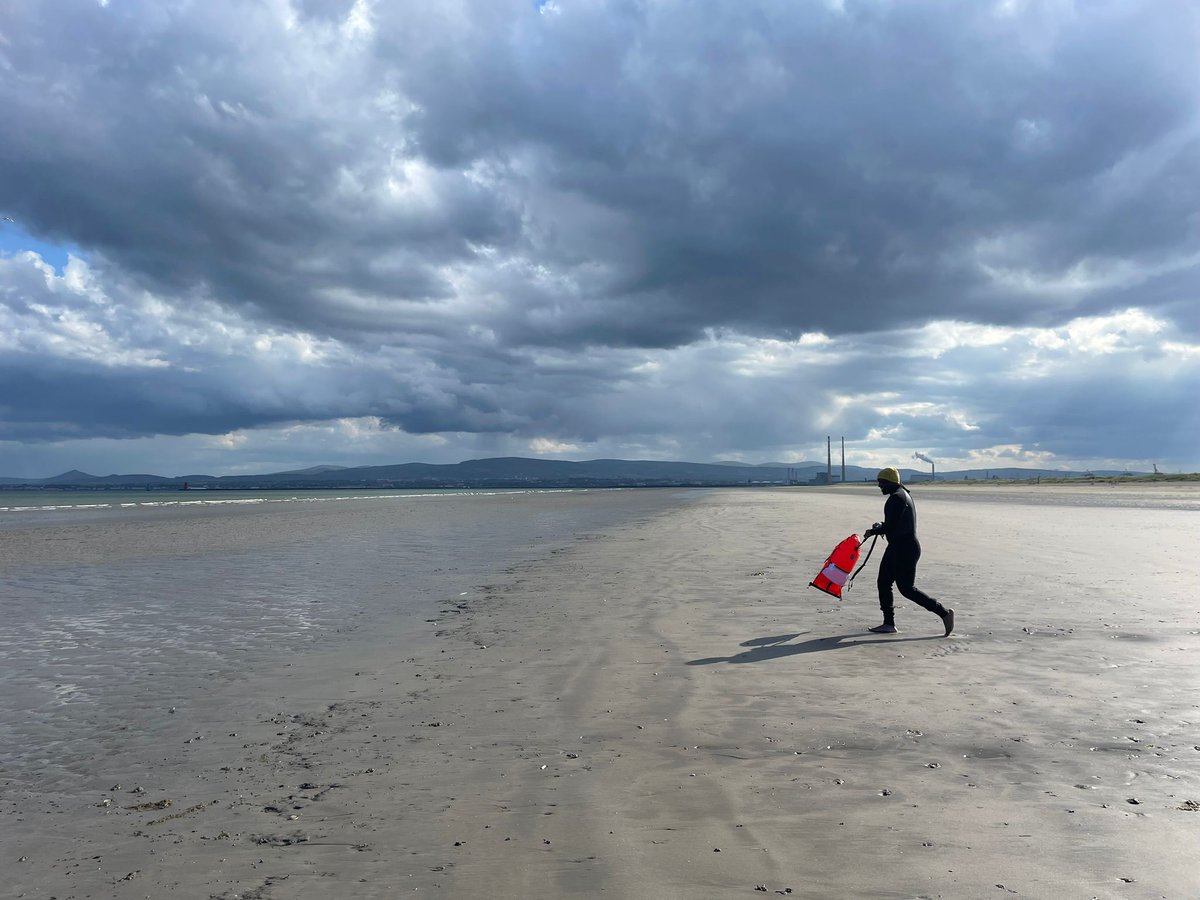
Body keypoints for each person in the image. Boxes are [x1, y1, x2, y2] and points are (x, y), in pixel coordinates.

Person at [863, 467, 954, 636]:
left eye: (882, 483)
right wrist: (881, 526)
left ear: (891, 483)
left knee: (894, 586)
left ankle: (890, 623)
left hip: (901, 549)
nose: (879, 486)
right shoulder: (903, 495)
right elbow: (896, 523)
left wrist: (874, 531)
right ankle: (942, 613)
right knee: (900, 587)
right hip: (906, 548)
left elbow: (892, 526)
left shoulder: (896, 498)